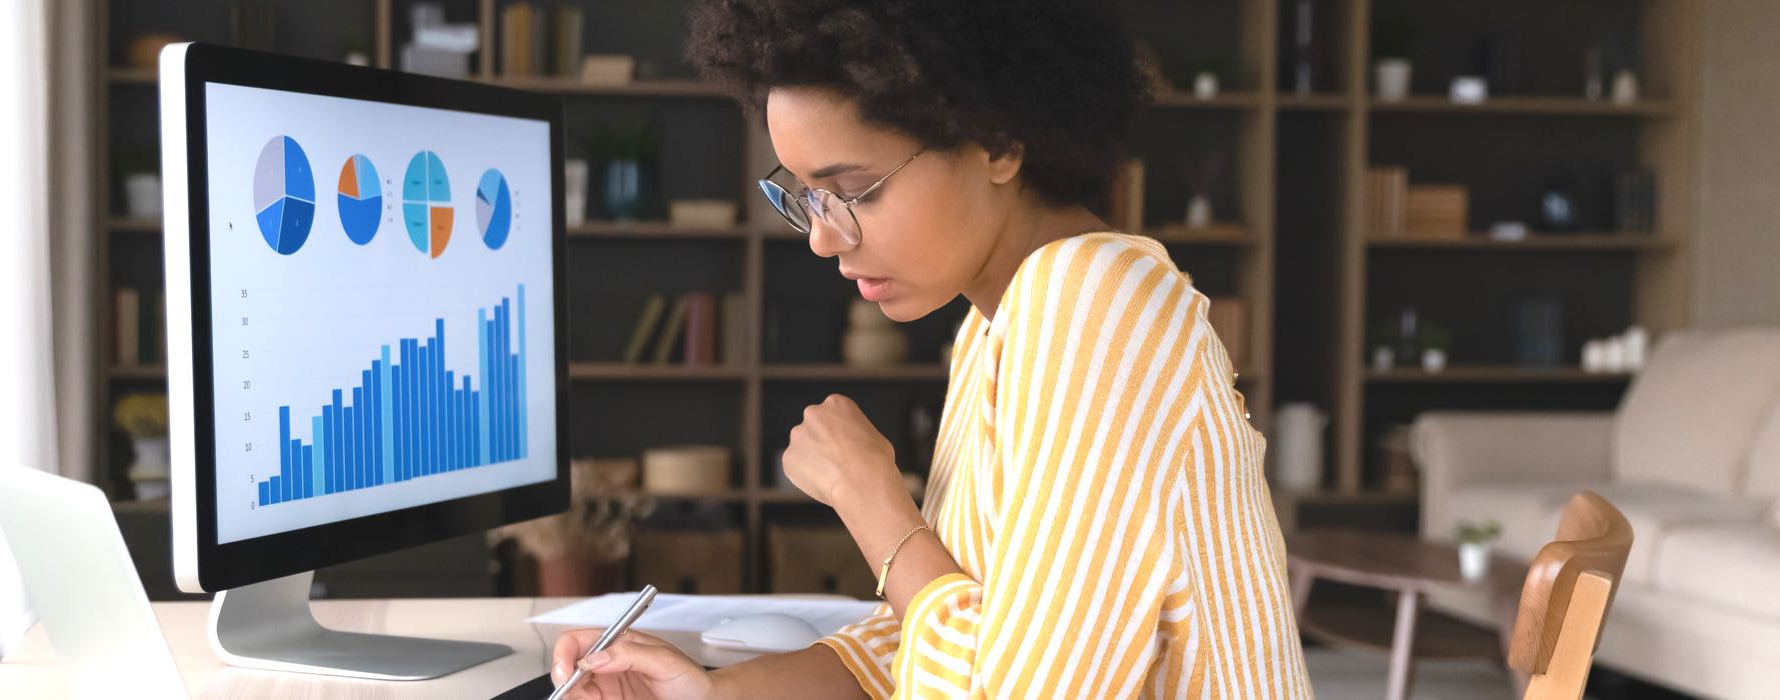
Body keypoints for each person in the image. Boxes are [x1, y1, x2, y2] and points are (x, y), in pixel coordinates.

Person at [551, 0, 1312, 696]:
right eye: (808, 197)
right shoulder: (994, 324)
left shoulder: (1095, 301)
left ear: (998, 143)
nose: (823, 237)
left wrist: (870, 497)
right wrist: (712, 693)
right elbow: (929, 631)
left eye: (856, 191)